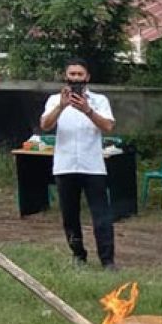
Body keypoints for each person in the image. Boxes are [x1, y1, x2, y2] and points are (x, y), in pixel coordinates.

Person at [39, 58, 117, 269]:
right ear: (66, 77)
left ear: (87, 78)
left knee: (101, 215)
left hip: (92, 166)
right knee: (69, 216)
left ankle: (107, 260)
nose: (75, 79)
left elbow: (108, 126)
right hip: (65, 166)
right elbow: (45, 125)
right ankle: (78, 256)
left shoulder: (99, 100)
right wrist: (61, 107)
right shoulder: (54, 100)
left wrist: (87, 110)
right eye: (71, 74)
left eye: (79, 75)